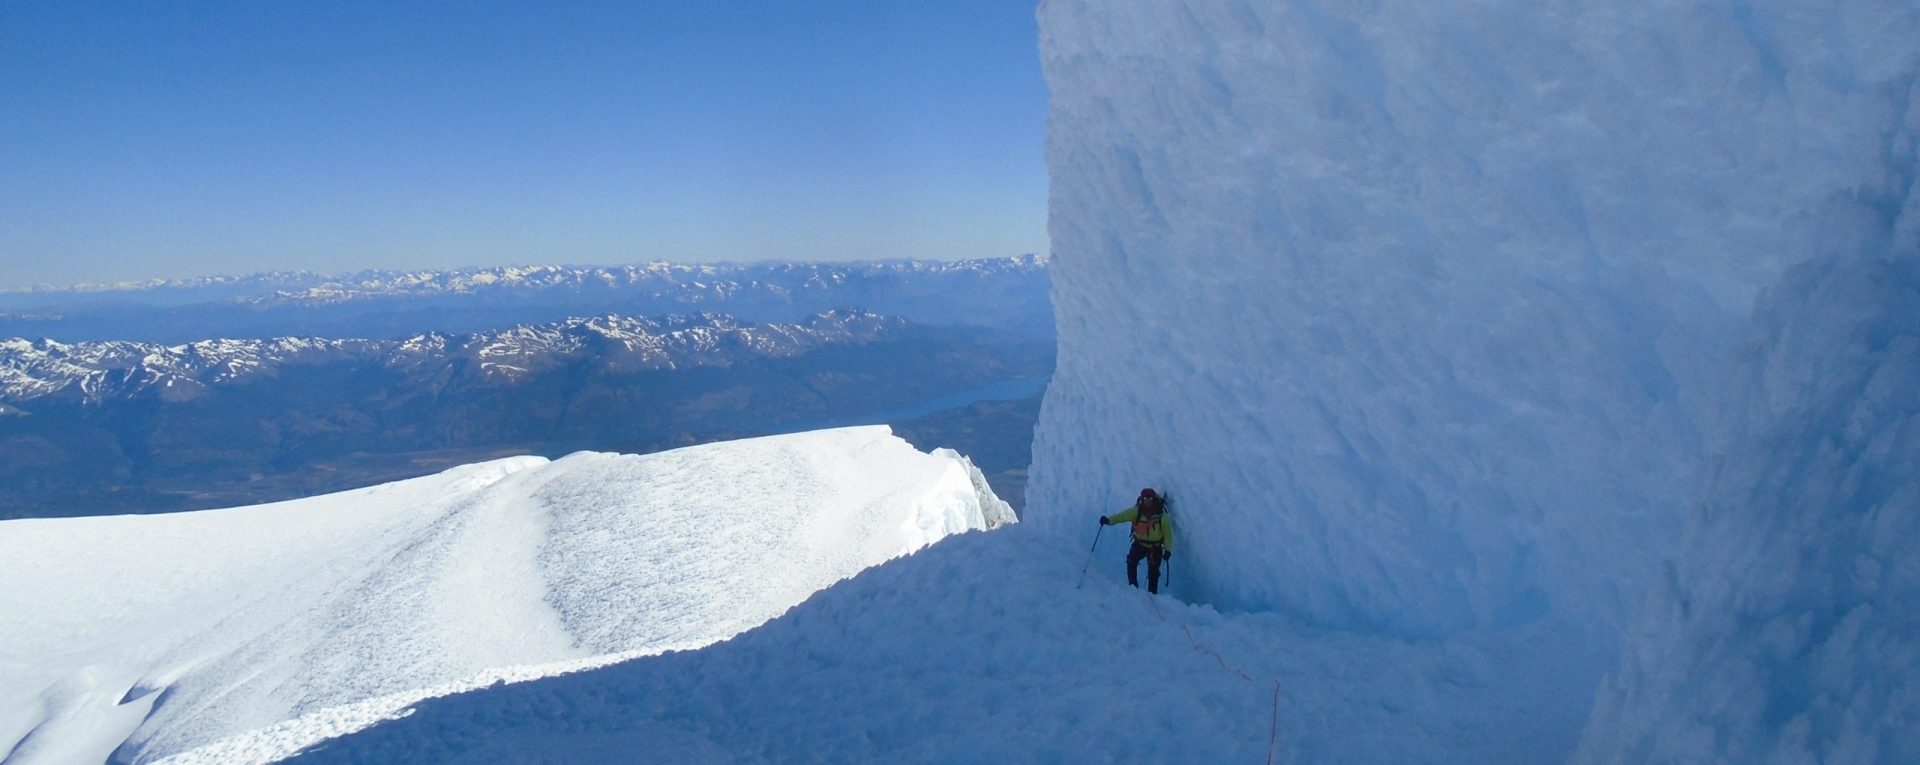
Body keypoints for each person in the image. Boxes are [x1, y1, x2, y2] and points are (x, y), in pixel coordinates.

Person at [1099, 488, 1172, 593]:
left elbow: (1168, 534)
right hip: (1140, 544)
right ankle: (1133, 586)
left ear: (1154, 499)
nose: (1147, 501)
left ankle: (1152, 593)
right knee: (1131, 561)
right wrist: (1109, 520)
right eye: (1145, 498)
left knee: (1153, 571)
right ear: (1142, 498)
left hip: (1155, 547)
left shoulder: (1161, 516)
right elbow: (1122, 516)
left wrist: (1168, 550)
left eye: (1149, 499)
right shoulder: (1136, 511)